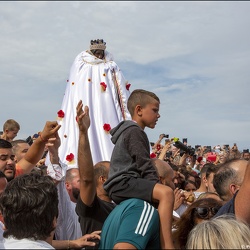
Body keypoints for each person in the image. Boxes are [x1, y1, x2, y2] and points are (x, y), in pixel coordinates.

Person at [103, 89, 175, 249]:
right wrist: (156, 189)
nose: (158, 115)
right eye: (155, 110)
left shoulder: (128, 131)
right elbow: (144, 164)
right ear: (139, 110)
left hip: (121, 185)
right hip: (124, 182)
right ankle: (168, 245)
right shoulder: (135, 132)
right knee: (167, 193)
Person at [46, 39, 131, 168]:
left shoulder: (110, 65)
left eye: (101, 53)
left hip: (105, 103)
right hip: (85, 103)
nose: (99, 56)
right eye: (97, 53)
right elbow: (76, 87)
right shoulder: (81, 63)